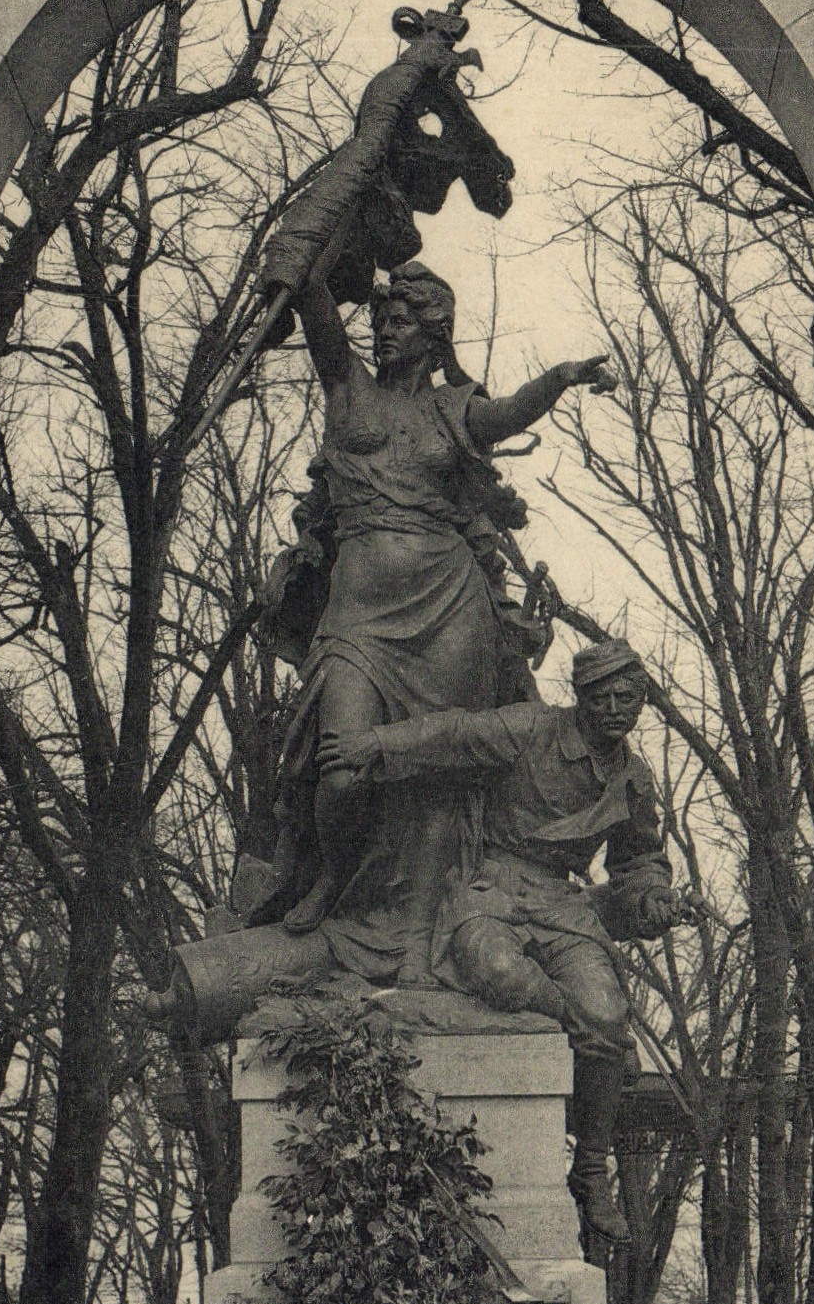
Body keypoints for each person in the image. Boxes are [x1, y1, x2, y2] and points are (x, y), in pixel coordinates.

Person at [245, 255, 616, 992]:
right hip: (357, 616)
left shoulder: (456, 410)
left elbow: (508, 412)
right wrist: (321, 231)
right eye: (379, 320)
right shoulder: (346, 388)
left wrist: (564, 374)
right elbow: (313, 289)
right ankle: (334, 881)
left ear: (435, 332)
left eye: (400, 321)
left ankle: (418, 938)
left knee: (436, 784)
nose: (383, 332)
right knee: (342, 767)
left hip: (450, 610)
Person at [316, 637, 683, 1255]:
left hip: (562, 903)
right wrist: (373, 745)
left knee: (610, 1007)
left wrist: (655, 899)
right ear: (582, 697)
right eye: (607, 696)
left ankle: (590, 1167)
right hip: (492, 883)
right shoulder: (531, 730)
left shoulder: (633, 780)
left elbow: (641, 860)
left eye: (632, 697)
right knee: (499, 971)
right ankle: (594, 1042)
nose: (620, 708)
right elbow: (450, 736)